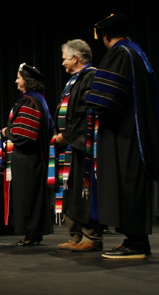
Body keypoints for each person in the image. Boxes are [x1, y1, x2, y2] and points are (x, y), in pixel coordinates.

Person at [88, 14, 159, 258]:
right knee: (133, 183)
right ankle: (136, 240)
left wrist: (93, 107)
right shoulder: (137, 51)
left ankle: (137, 244)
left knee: (128, 183)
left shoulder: (120, 53)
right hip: (138, 127)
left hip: (124, 131)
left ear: (106, 36)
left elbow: (107, 98)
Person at [52, 40, 102, 252]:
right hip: (73, 146)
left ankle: (91, 237)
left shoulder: (90, 77)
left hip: (85, 145)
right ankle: (76, 235)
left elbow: (86, 114)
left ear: (75, 58)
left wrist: (67, 136)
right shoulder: (74, 80)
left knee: (85, 190)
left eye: (64, 58)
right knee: (72, 190)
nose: (62, 62)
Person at [1, 63, 54, 245]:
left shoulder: (30, 100)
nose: (16, 81)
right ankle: (32, 234)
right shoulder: (39, 99)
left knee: (29, 195)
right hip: (31, 158)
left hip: (28, 160)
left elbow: (25, 135)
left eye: (19, 77)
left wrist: (7, 132)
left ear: (27, 81)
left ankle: (31, 234)